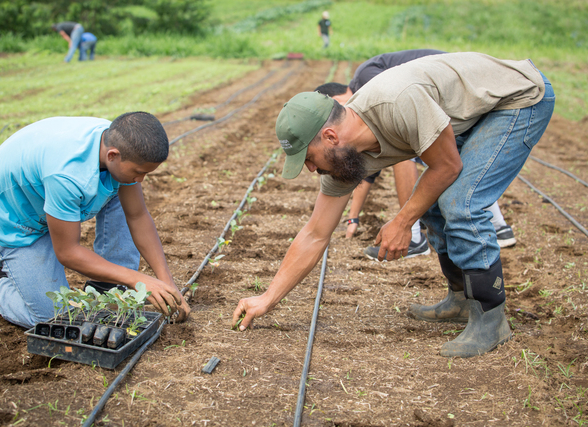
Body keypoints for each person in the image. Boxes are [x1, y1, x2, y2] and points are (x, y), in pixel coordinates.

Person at [233, 52, 555, 358]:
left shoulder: (397, 102)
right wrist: (267, 297)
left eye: (309, 159)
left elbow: (447, 167)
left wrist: (402, 222)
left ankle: (490, 319)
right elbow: (316, 233)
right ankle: (460, 299)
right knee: (428, 201)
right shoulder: (343, 157)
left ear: (330, 137)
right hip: (473, 113)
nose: (312, 170)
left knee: (461, 202)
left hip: (518, 98)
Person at [0, 112, 190, 329]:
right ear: (113, 155)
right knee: (53, 319)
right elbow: (68, 252)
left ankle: (108, 288)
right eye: (139, 172)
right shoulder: (66, 175)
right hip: (12, 221)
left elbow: (137, 215)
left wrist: (167, 284)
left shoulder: (120, 141)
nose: (140, 180)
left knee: (122, 191)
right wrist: (139, 280)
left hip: (46, 199)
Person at [316, 49, 517, 251]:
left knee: (418, 158)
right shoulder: (360, 108)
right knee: (460, 162)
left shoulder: (365, 81)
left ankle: (414, 238)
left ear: (334, 100)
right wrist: (353, 216)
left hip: (472, 88)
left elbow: (396, 131)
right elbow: (367, 167)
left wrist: (404, 224)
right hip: (451, 104)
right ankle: (500, 227)